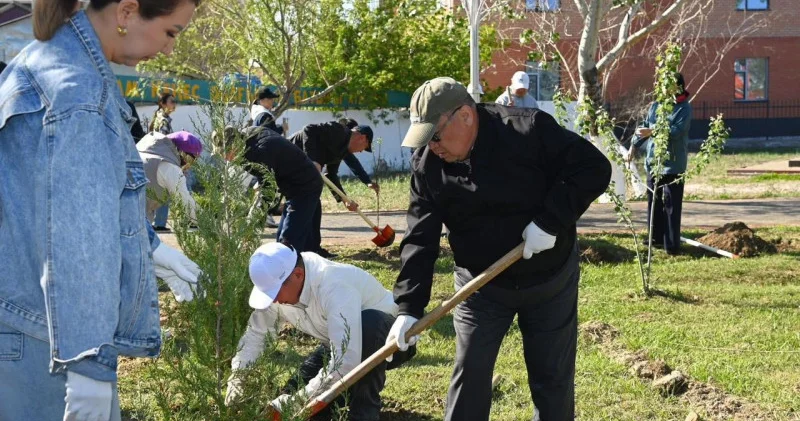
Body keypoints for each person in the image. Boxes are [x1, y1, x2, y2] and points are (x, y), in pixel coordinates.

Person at [0, 0, 201, 420]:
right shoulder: (80, 93)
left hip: (24, 323)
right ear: (127, 12)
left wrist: (150, 248)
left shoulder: (46, 62)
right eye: (171, 32)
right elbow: (77, 240)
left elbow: (51, 198)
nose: (168, 49)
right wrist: (88, 363)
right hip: (49, 344)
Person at [385, 77, 611, 421]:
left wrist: (550, 221)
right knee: (470, 374)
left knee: (552, 380)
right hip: (480, 287)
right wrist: (408, 308)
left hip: (548, 281)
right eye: (424, 139)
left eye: (435, 136)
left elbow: (594, 168)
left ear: (465, 115)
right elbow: (420, 237)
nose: (432, 147)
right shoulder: (427, 166)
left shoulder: (527, 131)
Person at [226, 242, 415, 420]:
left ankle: (363, 414)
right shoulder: (282, 286)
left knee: (369, 324)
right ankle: (333, 406)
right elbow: (257, 334)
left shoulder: (333, 284)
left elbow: (347, 361)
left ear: (298, 275)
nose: (273, 300)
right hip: (338, 344)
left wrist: (299, 400)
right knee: (292, 393)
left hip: (392, 341)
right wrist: (238, 377)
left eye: (274, 292)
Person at [214, 126, 323, 252]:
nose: (225, 158)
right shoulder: (248, 138)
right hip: (291, 185)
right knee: (282, 240)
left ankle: (299, 262)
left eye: (226, 153)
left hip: (306, 186)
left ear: (235, 145)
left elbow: (267, 193)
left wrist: (252, 226)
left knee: (287, 242)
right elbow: (267, 169)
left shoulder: (261, 150)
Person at [289, 121, 378, 258]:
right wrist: (313, 160)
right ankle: (298, 249)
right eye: (364, 147)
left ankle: (312, 249)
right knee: (307, 203)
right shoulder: (339, 131)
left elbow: (330, 174)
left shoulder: (341, 150)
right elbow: (309, 128)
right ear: (362, 138)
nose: (361, 151)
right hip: (291, 156)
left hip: (301, 167)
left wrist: (344, 199)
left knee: (313, 204)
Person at [626, 73, 692, 255]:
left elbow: (676, 131)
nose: (662, 88)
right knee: (653, 202)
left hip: (673, 165)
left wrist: (653, 131)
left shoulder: (684, 108)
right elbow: (644, 127)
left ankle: (671, 245)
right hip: (654, 163)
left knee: (671, 205)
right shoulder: (656, 106)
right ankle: (654, 239)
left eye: (667, 84)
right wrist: (633, 146)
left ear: (677, 86)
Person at [137, 130, 202, 226]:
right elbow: (186, 204)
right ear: (182, 153)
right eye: (191, 160)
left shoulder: (142, 151)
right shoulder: (170, 168)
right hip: (136, 221)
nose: (189, 166)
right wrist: (210, 224)